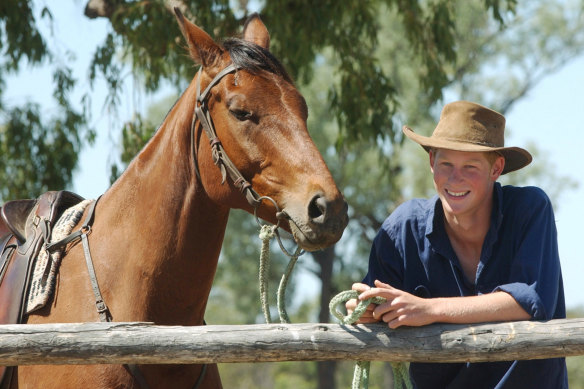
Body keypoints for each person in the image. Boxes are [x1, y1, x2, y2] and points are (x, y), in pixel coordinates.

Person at [346, 100, 568, 388]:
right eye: (446, 164)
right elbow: (377, 306)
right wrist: (365, 310)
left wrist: (427, 310)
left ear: (496, 168)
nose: (455, 178)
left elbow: (529, 302)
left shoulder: (530, 209)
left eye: (470, 166)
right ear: (431, 163)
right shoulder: (402, 228)